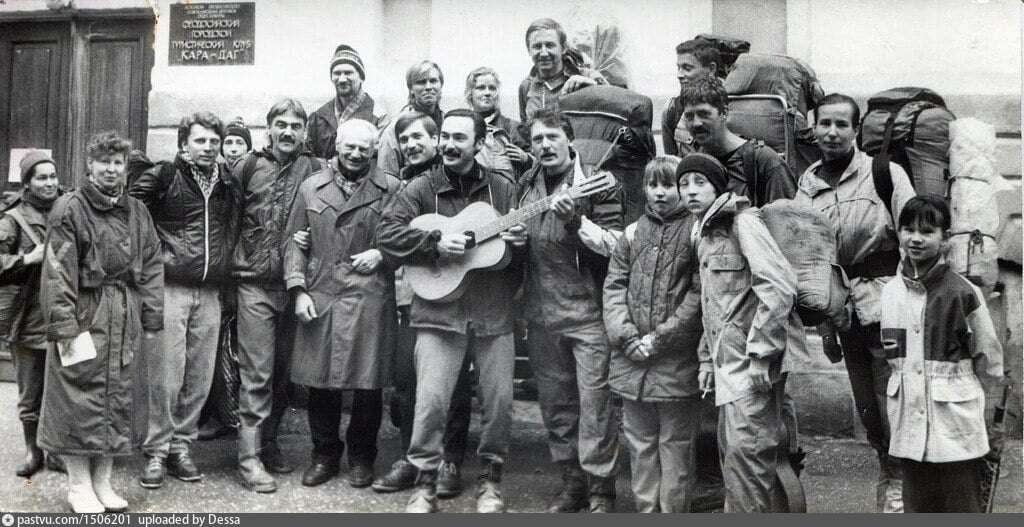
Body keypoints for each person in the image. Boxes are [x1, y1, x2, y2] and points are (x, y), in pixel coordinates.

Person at [376, 109, 527, 513]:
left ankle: (490, 483)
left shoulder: (503, 188)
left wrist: (521, 244)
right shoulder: (421, 187)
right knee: (430, 402)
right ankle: (425, 484)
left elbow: (517, 258)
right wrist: (434, 244)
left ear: (479, 144)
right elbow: (386, 235)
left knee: (499, 403)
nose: (448, 144)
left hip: (493, 312)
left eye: (460, 138)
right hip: (439, 311)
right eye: (445, 136)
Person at [794, 93, 916, 513]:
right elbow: (812, 260)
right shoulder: (807, 185)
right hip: (845, 313)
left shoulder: (883, 173)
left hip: (888, 305)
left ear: (856, 130)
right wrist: (825, 324)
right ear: (813, 127)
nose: (832, 132)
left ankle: (900, 485)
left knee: (894, 398)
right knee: (868, 407)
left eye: (841, 124)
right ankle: (889, 472)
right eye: (824, 123)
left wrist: (913, 302)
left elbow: (913, 236)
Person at [38, 131, 164, 513]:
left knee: (118, 397)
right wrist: (64, 325)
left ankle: (102, 482)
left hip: (124, 313)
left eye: (117, 162)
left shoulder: (137, 211)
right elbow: (57, 270)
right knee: (77, 399)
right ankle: (78, 486)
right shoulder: (69, 209)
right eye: (104, 162)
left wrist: (150, 316)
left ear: (125, 168)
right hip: (85, 311)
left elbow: (152, 264)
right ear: (90, 165)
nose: (111, 169)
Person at [682, 152, 805, 513]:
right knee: (737, 460)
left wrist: (762, 354)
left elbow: (779, 287)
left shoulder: (743, 223)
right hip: (728, 367)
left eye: (700, 182)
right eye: (683, 184)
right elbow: (714, 306)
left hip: (752, 367)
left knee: (747, 460)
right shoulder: (705, 234)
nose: (690, 190)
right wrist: (707, 360)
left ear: (718, 187)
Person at [283, 119, 400, 488]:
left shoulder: (391, 188)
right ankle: (324, 456)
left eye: (364, 148)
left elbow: (406, 239)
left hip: (370, 295)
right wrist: (298, 289)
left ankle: (363, 457)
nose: (356, 153)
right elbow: (292, 243)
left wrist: (382, 254)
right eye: (350, 146)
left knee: (368, 384)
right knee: (321, 382)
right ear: (337, 145)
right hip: (323, 291)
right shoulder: (311, 187)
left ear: (375, 149)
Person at [517, 109, 622, 513]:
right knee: (556, 405)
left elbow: (616, 245)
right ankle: (572, 484)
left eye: (552, 137)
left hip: (587, 313)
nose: (545, 146)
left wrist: (576, 220)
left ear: (569, 140)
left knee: (595, 406)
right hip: (541, 312)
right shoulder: (526, 184)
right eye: (537, 139)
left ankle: (601, 491)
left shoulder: (598, 183)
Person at [129, 112, 239, 489]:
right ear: (183, 143)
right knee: (166, 376)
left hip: (210, 292)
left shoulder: (226, 182)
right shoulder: (165, 175)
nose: (208, 148)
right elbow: (129, 212)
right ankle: (157, 451)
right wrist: (150, 258)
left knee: (199, 376)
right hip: (170, 287)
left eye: (213, 141)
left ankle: (181, 447)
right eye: (200, 140)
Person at [371, 111, 474, 497]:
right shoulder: (402, 186)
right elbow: (387, 236)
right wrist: (429, 243)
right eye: (405, 140)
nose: (411, 145)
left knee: (454, 383)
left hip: (450, 298)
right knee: (407, 381)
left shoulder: (452, 182)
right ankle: (412, 459)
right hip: (407, 297)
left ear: (436, 140)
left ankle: (449, 460)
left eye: (419, 137)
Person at [881, 195, 1003, 513]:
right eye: (908, 229)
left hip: (956, 425)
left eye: (927, 231)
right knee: (918, 505)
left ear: (945, 238)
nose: (916, 238)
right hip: (910, 425)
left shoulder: (963, 293)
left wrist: (987, 421)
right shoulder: (890, 293)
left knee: (962, 505)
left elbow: (988, 360)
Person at [230, 99, 323, 493]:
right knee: (257, 375)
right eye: (281, 124)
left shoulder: (316, 169)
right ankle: (248, 459)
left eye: (296, 126)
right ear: (268, 128)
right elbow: (230, 222)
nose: (288, 132)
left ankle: (268, 442)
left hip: (296, 287)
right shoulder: (248, 166)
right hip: (254, 284)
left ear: (304, 131)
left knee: (284, 375)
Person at [602, 156, 704, 512]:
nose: (660, 193)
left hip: (675, 362)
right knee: (640, 444)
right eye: (652, 185)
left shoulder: (696, 232)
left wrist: (660, 338)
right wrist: (627, 338)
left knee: (676, 447)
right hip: (632, 361)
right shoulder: (632, 234)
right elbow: (614, 288)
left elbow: (698, 296)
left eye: (669, 185)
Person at [0, 150, 66, 477]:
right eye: (41, 178)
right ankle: (33, 451)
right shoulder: (12, 219)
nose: (50, 183)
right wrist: (27, 258)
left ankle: (56, 450)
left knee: (64, 387)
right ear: (27, 182)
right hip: (28, 317)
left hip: (66, 312)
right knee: (30, 390)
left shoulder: (70, 208)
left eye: (53, 176)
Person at [680, 76, 796, 207]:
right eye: (689, 116)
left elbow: (785, 215)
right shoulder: (692, 162)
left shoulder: (764, 161)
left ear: (724, 112)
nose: (696, 123)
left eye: (704, 114)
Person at [306, 45, 389, 159]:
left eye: (348, 73)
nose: (342, 79)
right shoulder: (318, 117)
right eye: (337, 73)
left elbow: (381, 159)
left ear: (361, 78)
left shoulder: (379, 117)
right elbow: (310, 158)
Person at [519, 18, 607, 124]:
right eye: (537, 46)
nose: (544, 53)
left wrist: (592, 86)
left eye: (550, 45)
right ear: (529, 50)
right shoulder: (526, 86)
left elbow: (615, 104)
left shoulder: (587, 75)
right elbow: (525, 127)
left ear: (564, 48)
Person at [377, 61, 445, 179]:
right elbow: (386, 174)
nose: (428, 87)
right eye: (421, 82)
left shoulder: (448, 122)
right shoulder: (396, 127)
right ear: (411, 89)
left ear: (440, 85)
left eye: (433, 81)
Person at [464, 67, 530, 175]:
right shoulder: (462, 126)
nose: (487, 93)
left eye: (492, 88)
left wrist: (526, 158)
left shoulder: (513, 127)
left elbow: (537, 164)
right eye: (481, 88)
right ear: (470, 93)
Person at [662, 40, 722, 157]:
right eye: (678, 68)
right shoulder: (673, 108)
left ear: (711, 69)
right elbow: (671, 162)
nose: (679, 75)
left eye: (687, 68)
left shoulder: (731, 107)